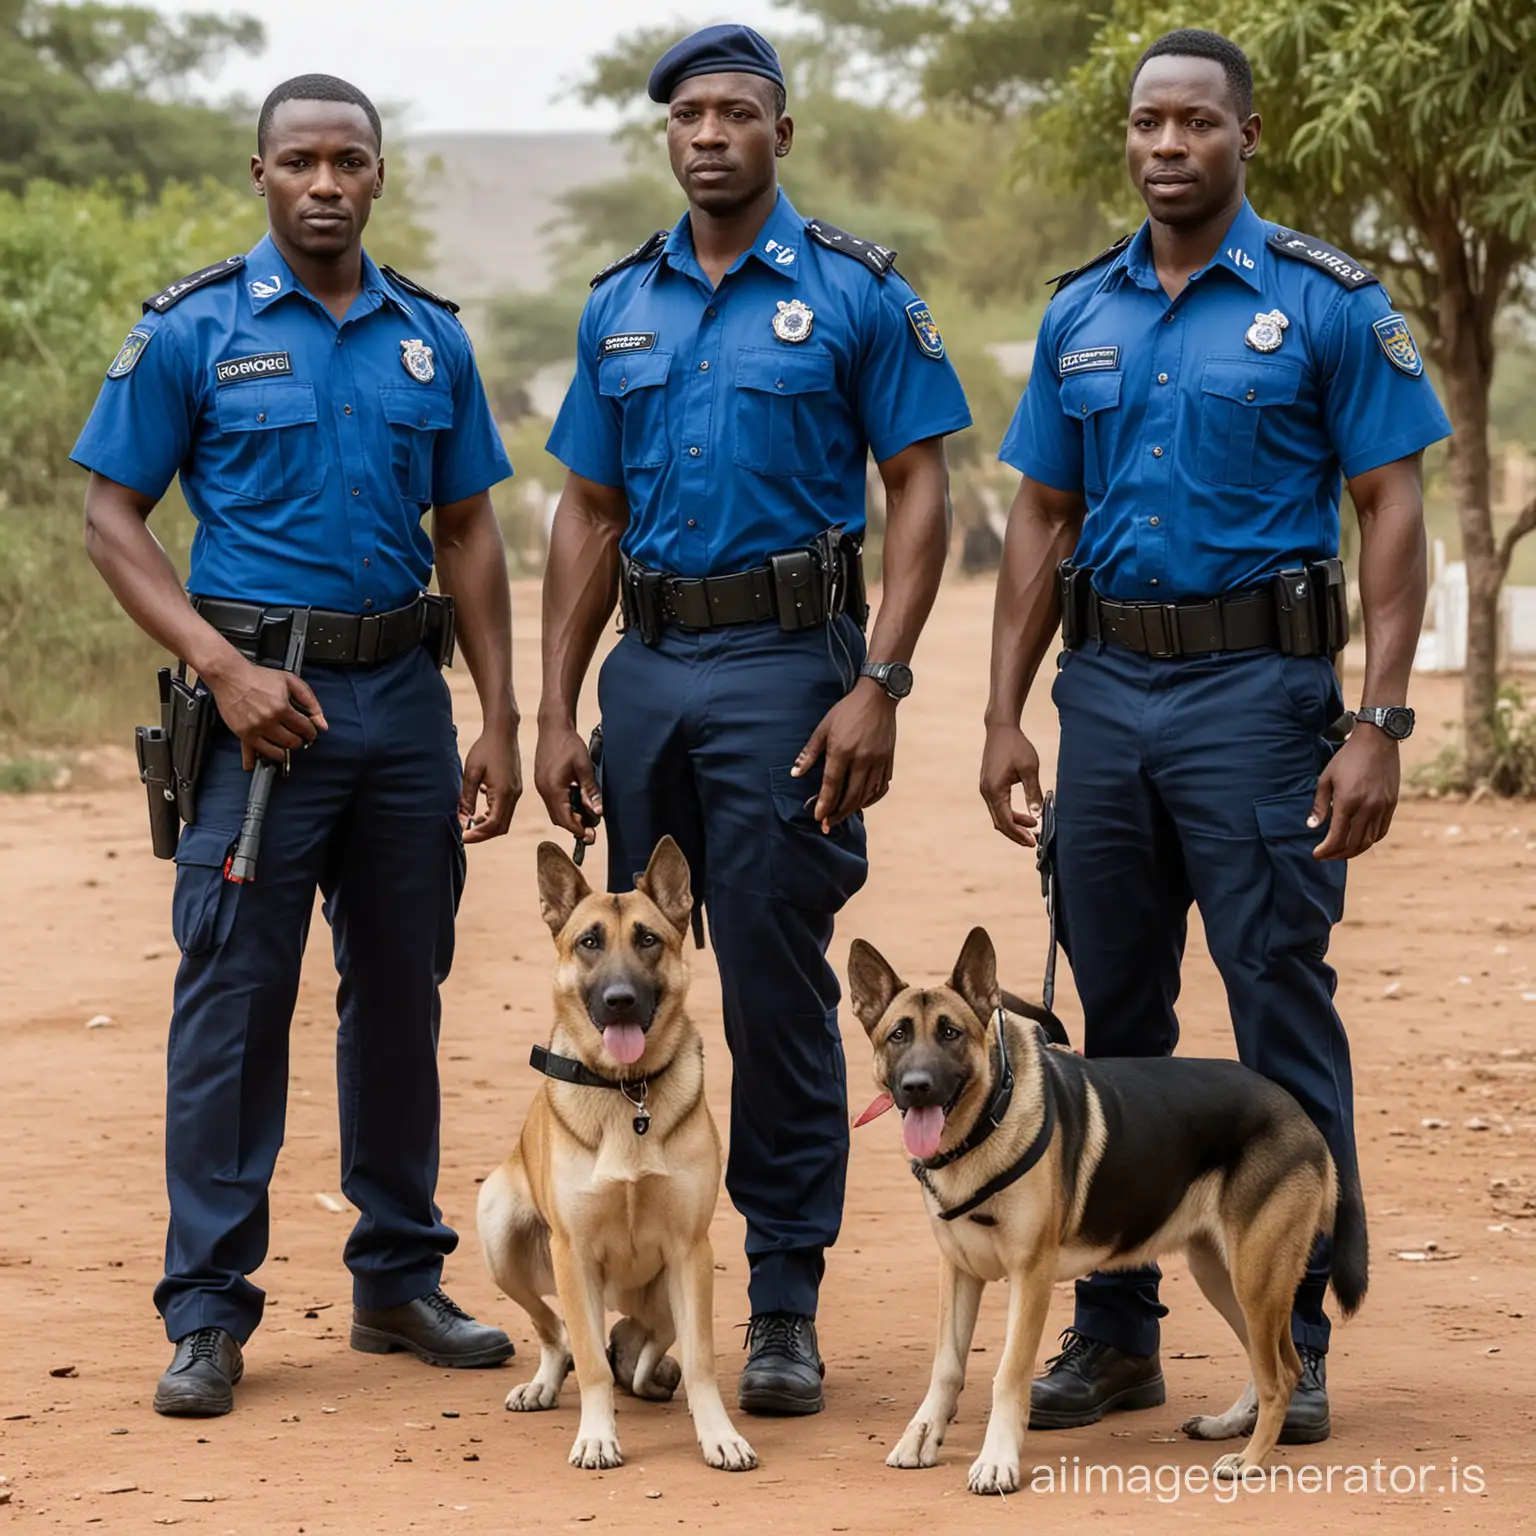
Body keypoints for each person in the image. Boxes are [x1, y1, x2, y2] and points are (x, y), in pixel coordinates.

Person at [980, 29, 1451, 1443]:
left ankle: (1287, 1353)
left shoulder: (1326, 303)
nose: (1166, 144)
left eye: (1194, 122)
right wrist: (1005, 711)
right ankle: (1113, 1337)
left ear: (1248, 135)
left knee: (1276, 1016)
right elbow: (1040, 521)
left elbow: (1393, 508)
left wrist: (1376, 720)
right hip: (1107, 698)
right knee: (1109, 1037)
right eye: (1146, 124)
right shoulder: (1083, 316)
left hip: (1262, 704)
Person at [534, 24, 971, 1416]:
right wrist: (553, 701)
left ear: (781, 131)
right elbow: (589, 512)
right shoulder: (621, 306)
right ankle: (650, 1293)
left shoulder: (852, 295)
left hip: (794, 672)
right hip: (648, 675)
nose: (709, 134)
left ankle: (780, 1300)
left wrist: (880, 682)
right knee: (622, 980)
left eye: (736, 113)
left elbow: (920, 489)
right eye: (687, 116)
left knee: (778, 991)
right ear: (666, 138)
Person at [71, 74, 523, 1417]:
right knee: (232, 1009)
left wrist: (498, 715)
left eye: (350, 161)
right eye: (300, 162)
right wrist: (224, 667)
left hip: (402, 711)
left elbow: (472, 534)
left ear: (379, 178)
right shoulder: (192, 331)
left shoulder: (431, 340)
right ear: (258, 173)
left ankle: (397, 1279)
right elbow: (112, 518)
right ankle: (207, 1312)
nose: (325, 182)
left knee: (401, 996)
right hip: (254, 724)